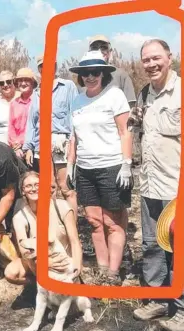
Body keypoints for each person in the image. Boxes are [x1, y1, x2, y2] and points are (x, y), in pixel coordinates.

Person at [130, 39, 183, 330]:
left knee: (179, 247)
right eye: (146, 60)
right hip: (150, 183)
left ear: (169, 57)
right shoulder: (144, 95)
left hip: (177, 187)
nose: (151, 64)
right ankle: (158, 299)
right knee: (151, 244)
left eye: (155, 58)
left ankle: (182, 309)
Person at [66, 50, 133, 285]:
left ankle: (113, 273)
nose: (90, 77)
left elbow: (125, 131)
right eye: (86, 73)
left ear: (103, 73)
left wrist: (126, 164)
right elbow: (74, 136)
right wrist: (71, 164)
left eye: (95, 72)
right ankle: (102, 270)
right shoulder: (78, 99)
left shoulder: (114, 95)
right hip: (85, 168)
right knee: (94, 221)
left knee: (113, 222)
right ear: (80, 76)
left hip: (111, 165)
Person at [4, 171, 83, 289]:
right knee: (11, 272)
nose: (33, 189)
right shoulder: (19, 217)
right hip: (38, 262)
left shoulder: (62, 207)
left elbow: (75, 241)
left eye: (37, 184)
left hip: (64, 258)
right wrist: (46, 264)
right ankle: (37, 285)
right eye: (28, 186)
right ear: (23, 190)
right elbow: (25, 252)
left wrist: (77, 268)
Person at [23, 55, 79, 217]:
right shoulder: (37, 93)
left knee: (66, 186)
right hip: (42, 142)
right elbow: (32, 123)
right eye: (42, 66)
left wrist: (73, 144)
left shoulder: (67, 86)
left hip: (62, 140)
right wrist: (29, 147)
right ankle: (54, 226)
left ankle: (72, 227)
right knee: (49, 186)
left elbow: (75, 114)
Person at [8, 68, 37, 160]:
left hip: (35, 149)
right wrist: (15, 147)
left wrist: (28, 146)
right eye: (20, 80)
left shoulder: (39, 102)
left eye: (26, 80)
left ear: (32, 83)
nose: (23, 83)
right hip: (18, 151)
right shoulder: (14, 104)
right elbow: (11, 127)